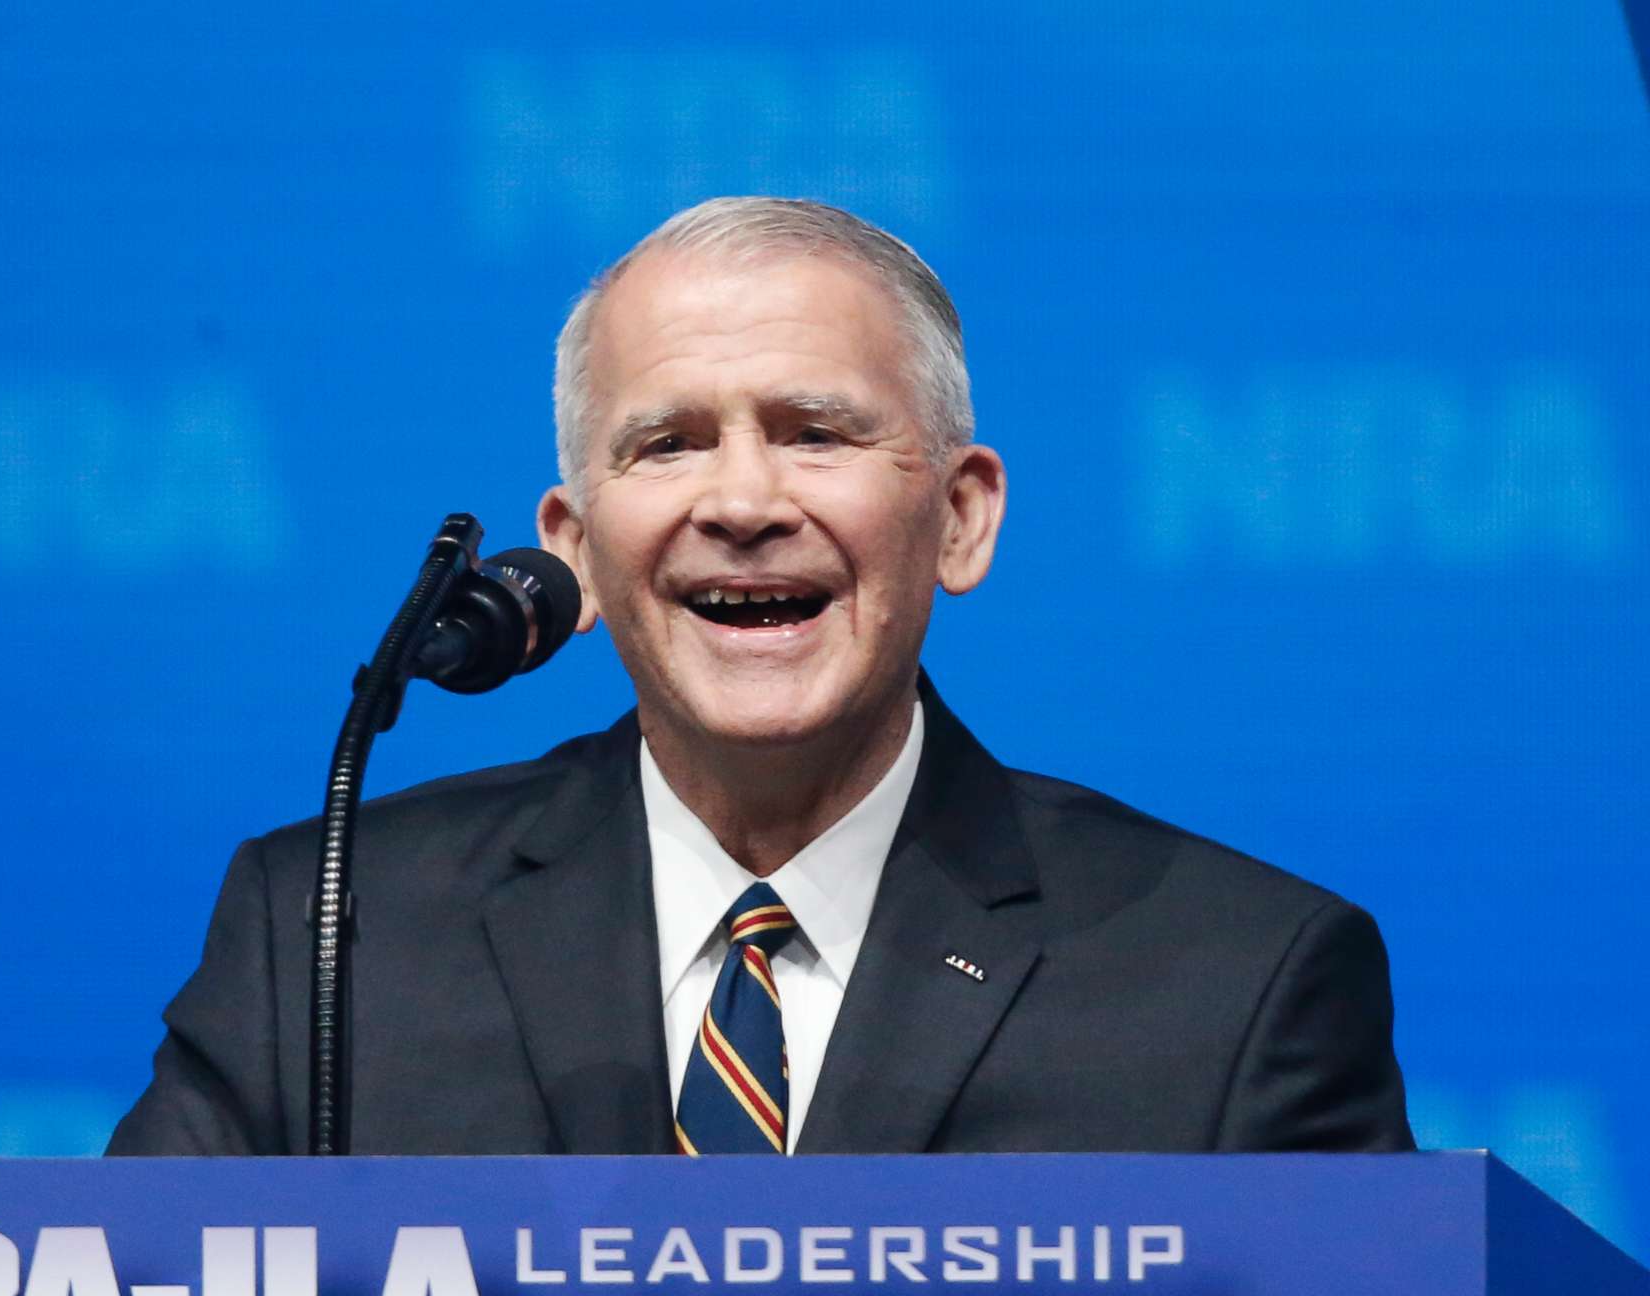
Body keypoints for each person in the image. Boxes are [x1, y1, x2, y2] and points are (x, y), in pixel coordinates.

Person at [108, 197, 1412, 1156]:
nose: (742, 500)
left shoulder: (1239, 981)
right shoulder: (331, 937)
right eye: (667, 444)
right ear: (573, 557)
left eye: (815, 432)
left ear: (961, 517)